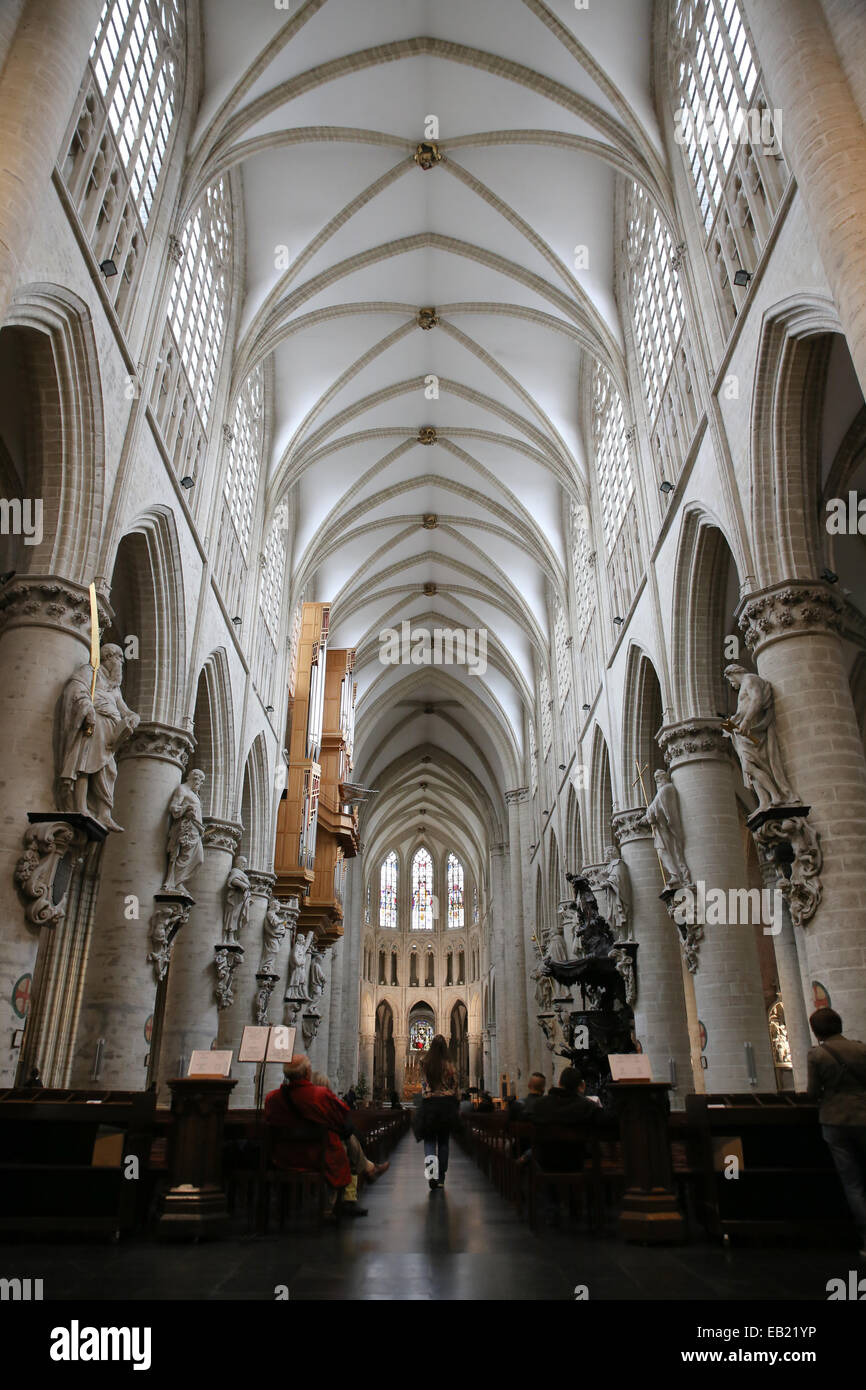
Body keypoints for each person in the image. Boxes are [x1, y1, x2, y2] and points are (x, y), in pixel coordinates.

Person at [264, 1056, 388, 1219]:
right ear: (308, 1072)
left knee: (343, 1139)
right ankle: (332, 1205)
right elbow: (341, 1118)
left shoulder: (272, 1098)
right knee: (343, 1141)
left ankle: (368, 1170)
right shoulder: (319, 1095)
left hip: (282, 1157)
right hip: (315, 1156)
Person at [806, 1008, 866, 1256]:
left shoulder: (818, 1055)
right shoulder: (862, 1049)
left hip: (835, 1119)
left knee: (853, 1182)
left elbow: (812, 1092)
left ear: (816, 1031)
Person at [531, 1066, 599, 1173]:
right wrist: (581, 1095)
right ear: (580, 1086)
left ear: (559, 1083)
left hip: (546, 1163)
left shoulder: (539, 1105)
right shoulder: (586, 1106)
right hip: (576, 1163)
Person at [415, 1034, 459, 1190]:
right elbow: (455, 1087)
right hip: (446, 1106)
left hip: (430, 1104)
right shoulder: (450, 1065)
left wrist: (429, 1093)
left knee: (429, 1141)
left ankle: (431, 1174)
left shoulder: (425, 1063)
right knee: (443, 1142)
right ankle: (441, 1178)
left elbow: (424, 1084)